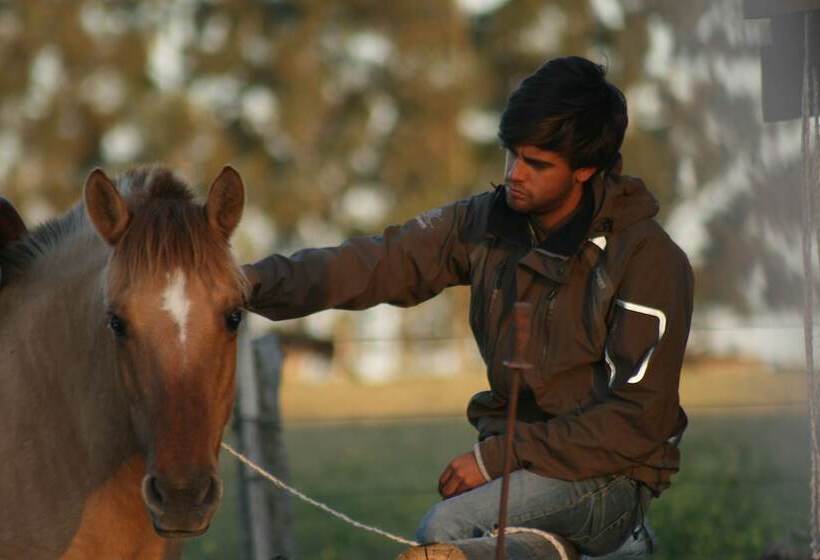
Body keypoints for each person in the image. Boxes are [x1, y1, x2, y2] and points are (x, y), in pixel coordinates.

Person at [242, 56, 693, 559]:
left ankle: (614, 545)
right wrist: (249, 283)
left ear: (585, 169)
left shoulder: (648, 259)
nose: (514, 174)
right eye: (511, 155)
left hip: (610, 476)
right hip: (522, 466)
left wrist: (499, 456)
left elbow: (639, 421)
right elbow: (376, 262)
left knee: (447, 530)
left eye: (537, 164)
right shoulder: (486, 223)